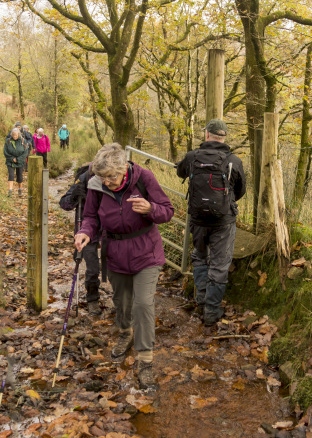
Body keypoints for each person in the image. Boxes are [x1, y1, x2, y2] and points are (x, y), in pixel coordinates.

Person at [75, 143, 174, 389]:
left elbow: (168, 211)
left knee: (143, 304)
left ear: (123, 169)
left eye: (111, 177)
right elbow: (90, 217)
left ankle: (145, 361)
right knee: (122, 302)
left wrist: (151, 209)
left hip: (146, 252)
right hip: (115, 252)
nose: (107, 182)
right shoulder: (96, 185)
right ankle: (125, 333)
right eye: (102, 177)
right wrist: (85, 232)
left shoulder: (144, 178)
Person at [176, 119, 246, 326]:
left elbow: (181, 172)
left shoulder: (192, 156)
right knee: (220, 263)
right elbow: (240, 190)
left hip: (197, 218)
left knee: (199, 256)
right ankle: (211, 311)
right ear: (224, 136)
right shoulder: (234, 160)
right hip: (223, 220)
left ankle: (201, 299)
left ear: (207, 135)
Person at [59, 163, 102, 316]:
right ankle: (92, 299)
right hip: (86, 227)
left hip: (110, 226)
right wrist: (75, 196)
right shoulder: (84, 178)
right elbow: (64, 204)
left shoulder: (114, 176)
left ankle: (121, 301)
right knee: (92, 267)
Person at [4, 127, 28, 197]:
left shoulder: (23, 141)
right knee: (11, 175)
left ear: (19, 135)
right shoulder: (8, 141)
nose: (14, 136)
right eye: (13, 135)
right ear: (11, 135)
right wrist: (12, 158)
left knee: (19, 176)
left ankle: (20, 190)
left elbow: (25, 152)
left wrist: (18, 159)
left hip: (20, 162)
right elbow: (5, 152)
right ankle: (10, 191)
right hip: (10, 161)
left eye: (16, 135)